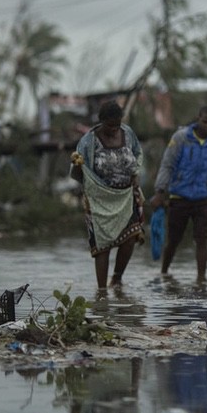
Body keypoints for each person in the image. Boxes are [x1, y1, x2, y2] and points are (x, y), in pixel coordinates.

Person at [70, 100, 145, 291]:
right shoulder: (88, 141)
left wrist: (135, 175)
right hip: (99, 200)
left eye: (117, 125)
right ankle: (101, 291)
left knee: (130, 238)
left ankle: (117, 279)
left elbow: (138, 154)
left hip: (126, 197)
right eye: (110, 125)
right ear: (101, 121)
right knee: (102, 247)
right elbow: (78, 173)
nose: (114, 129)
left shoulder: (128, 134)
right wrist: (79, 166)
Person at [151, 105, 207, 280]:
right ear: (198, 118)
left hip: (202, 199)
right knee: (173, 240)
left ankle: (201, 280)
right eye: (205, 122)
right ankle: (164, 272)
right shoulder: (181, 138)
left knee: (202, 240)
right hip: (179, 197)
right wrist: (159, 191)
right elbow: (167, 165)